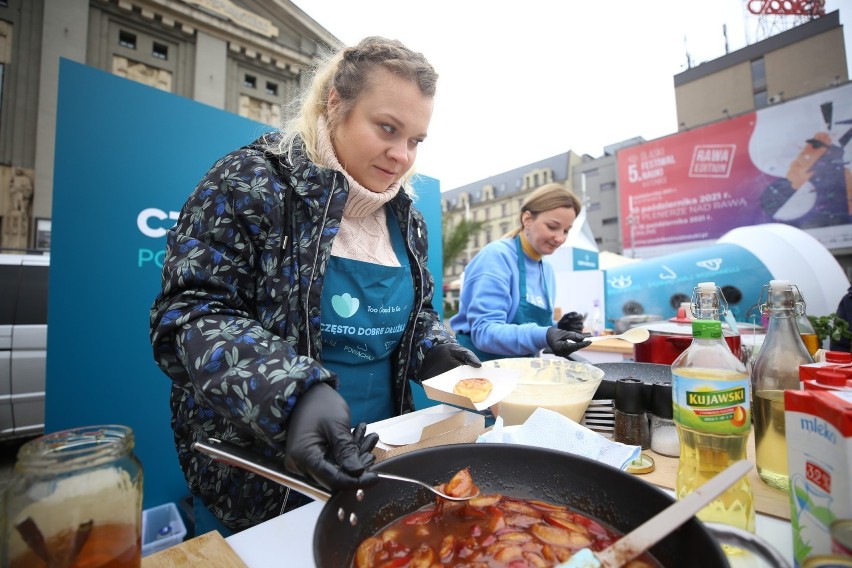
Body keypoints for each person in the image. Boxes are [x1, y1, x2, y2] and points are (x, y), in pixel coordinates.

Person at [149, 36, 481, 534]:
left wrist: (433, 349)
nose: (401, 155)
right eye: (387, 128)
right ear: (335, 103)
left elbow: (417, 316)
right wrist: (293, 393)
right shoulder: (251, 182)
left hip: (377, 453)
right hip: (268, 470)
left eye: (415, 140)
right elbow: (191, 315)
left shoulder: (406, 218)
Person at [449, 183, 592, 361]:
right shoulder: (497, 257)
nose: (560, 238)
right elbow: (484, 332)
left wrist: (558, 329)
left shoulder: (546, 269)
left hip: (522, 372)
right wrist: (545, 334)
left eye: (566, 230)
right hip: (480, 372)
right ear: (527, 219)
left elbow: (530, 329)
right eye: (552, 226)